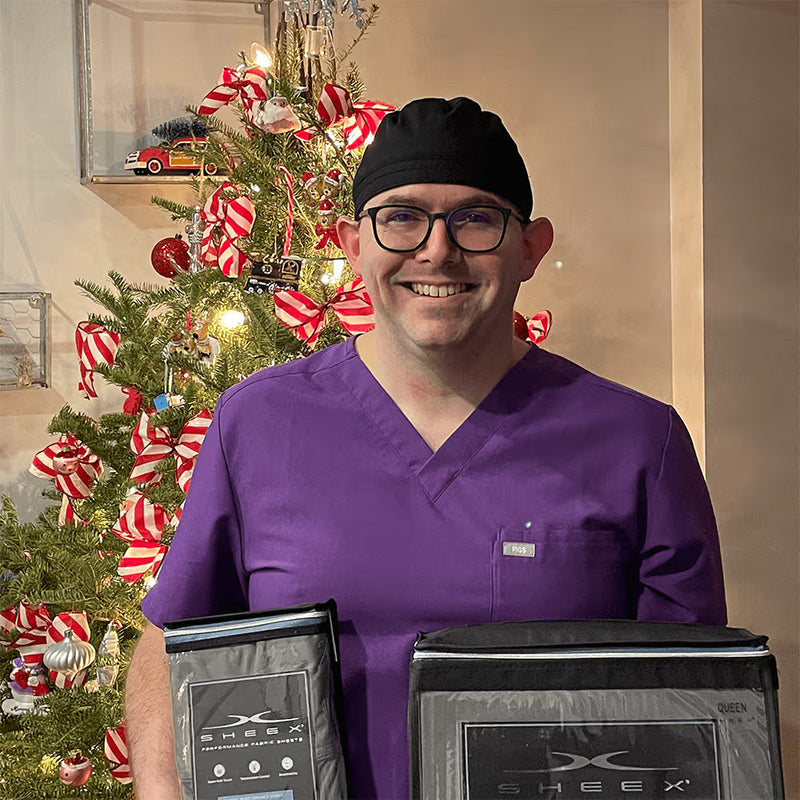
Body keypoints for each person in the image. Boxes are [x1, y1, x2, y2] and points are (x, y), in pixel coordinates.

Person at [125, 97, 726, 799]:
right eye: (401, 217)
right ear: (353, 244)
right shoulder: (258, 423)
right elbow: (171, 644)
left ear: (531, 247)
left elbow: (694, 706)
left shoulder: (638, 443)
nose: (436, 250)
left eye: (476, 219)